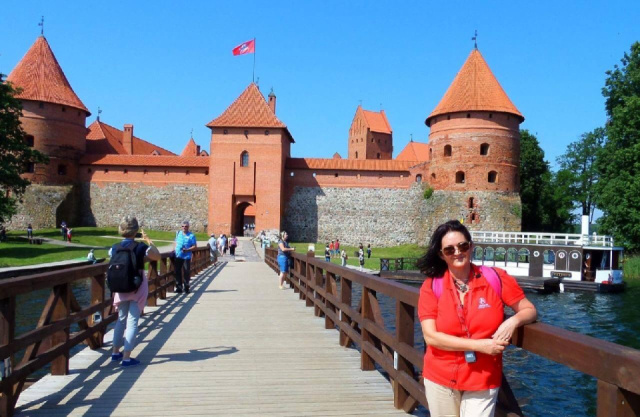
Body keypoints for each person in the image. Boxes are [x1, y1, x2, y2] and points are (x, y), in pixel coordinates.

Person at [417, 220, 536, 417]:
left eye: (463, 246)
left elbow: (529, 309)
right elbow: (431, 337)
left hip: (483, 376)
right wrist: (480, 346)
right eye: (449, 249)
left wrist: (513, 321)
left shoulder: (495, 278)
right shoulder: (432, 286)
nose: (457, 252)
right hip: (441, 376)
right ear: (441, 255)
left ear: (471, 246)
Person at [110, 215, 160, 367]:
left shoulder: (114, 248)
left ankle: (115, 352)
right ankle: (126, 358)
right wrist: (148, 240)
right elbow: (156, 256)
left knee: (120, 320)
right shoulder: (140, 247)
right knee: (132, 322)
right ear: (135, 230)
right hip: (137, 287)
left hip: (120, 287)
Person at [174, 220, 197, 294]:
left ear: (188, 227)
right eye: (183, 226)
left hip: (186, 256)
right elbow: (175, 242)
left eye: (186, 226)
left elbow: (195, 246)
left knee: (186, 272)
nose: (184, 227)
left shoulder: (191, 235)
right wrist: (173, 250)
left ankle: (186, 287)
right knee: (177, 271)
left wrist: (187, 250)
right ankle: (179, 287)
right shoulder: (178, 233)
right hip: (178, 255)